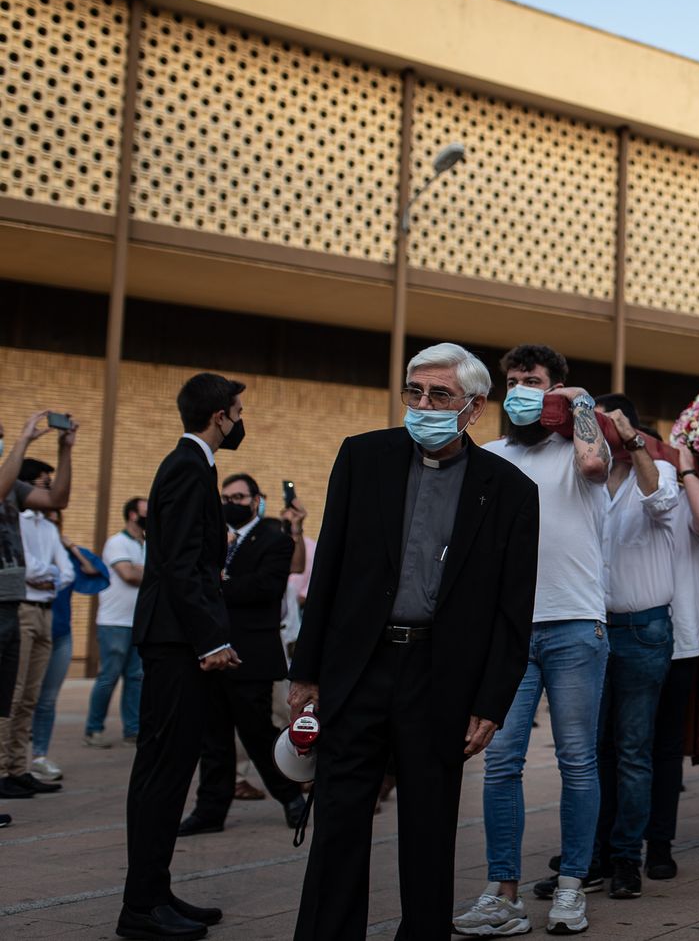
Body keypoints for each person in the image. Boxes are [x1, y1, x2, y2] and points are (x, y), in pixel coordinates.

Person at [288, 343, 538, 939]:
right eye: (414, 392)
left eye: (439, 395)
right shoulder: (362, 457)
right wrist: (308, 668)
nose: (422, 405)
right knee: (340, 819)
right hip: (359, 667)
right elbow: (330, 571)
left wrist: (492, 702)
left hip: (440, 675)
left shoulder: (508, 490)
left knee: (429, 826)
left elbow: (513, 609)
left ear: (473, 408)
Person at [454, 343, 609, 938]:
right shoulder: (490, 456)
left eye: (534, 381)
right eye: (513, 380)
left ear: (556, 389)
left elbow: (597, 468)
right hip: (508, 630)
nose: (521, 388)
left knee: (576, 761)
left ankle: (571, 886)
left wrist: (581, 405)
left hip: (575, 622)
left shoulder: (579, 448)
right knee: (500, 763)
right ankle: (503, 893)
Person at [120, 372, 246, 940]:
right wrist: (210, 640)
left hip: (177, 637)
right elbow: (179, 563)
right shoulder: (188, 466)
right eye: (238, 411)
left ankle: (154, 891)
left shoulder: (193, 465)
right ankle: (141, 908)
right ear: (219, 415)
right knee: (163, 772)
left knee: (170, 770)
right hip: (176, 642)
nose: (242, 420)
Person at [176, 473, 306, 836]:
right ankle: (209, 810)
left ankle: (291, 797)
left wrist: (219, 582)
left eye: (238, 497)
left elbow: (265, 587)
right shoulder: (215, 537)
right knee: (213, 738)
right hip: (213, 651)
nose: (231, 503)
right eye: (226, 496)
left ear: (255, 500)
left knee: (257, 733)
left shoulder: (274, 538)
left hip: (252, 654)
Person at [587, 392, 680, 900]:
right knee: (588, 752)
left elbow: (661, 501)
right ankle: (590, 855)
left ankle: (627, 859)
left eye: (608, 425)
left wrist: (633, 442)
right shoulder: (587, 480)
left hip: (644, 630)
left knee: (632, 752)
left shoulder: (658, 472)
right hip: (592, 629)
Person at [645, 444, 699, 879]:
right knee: (611, 750)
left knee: (664, 750)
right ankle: (607, 846)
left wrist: (688, 471)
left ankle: (659, 844)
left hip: (679, 642)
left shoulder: (686, 497)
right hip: (617, 638)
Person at [0, 410, 76, 820]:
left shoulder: (14, 486)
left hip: (14, 602)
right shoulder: (5, 481)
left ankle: (15, 768)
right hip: (10, 604)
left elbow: (57, 500)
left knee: (23, 697)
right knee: (7, 696)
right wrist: (24, 442)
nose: (4, 438)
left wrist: (65, 452)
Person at [33, 514, 103, 781]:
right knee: (20, 700)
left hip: (61, 634)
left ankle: (39, 756)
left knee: (47, 700)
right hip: (31, 631)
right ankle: (11, 762)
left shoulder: (65, 554)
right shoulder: (25, 548)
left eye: (55, 521)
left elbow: (94, 572)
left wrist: (70, 545)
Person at [91, 498, 147, 748]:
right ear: (134, 515)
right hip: (114, 622)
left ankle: (132, 729)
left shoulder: (146, 545)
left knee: (135, 677)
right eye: (147, 510)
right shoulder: (117, 542)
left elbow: (142, 572)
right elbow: (128, 574)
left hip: (139, 622)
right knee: (108, 677)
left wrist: (140, 568)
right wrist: (145, 570)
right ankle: (94, 729)